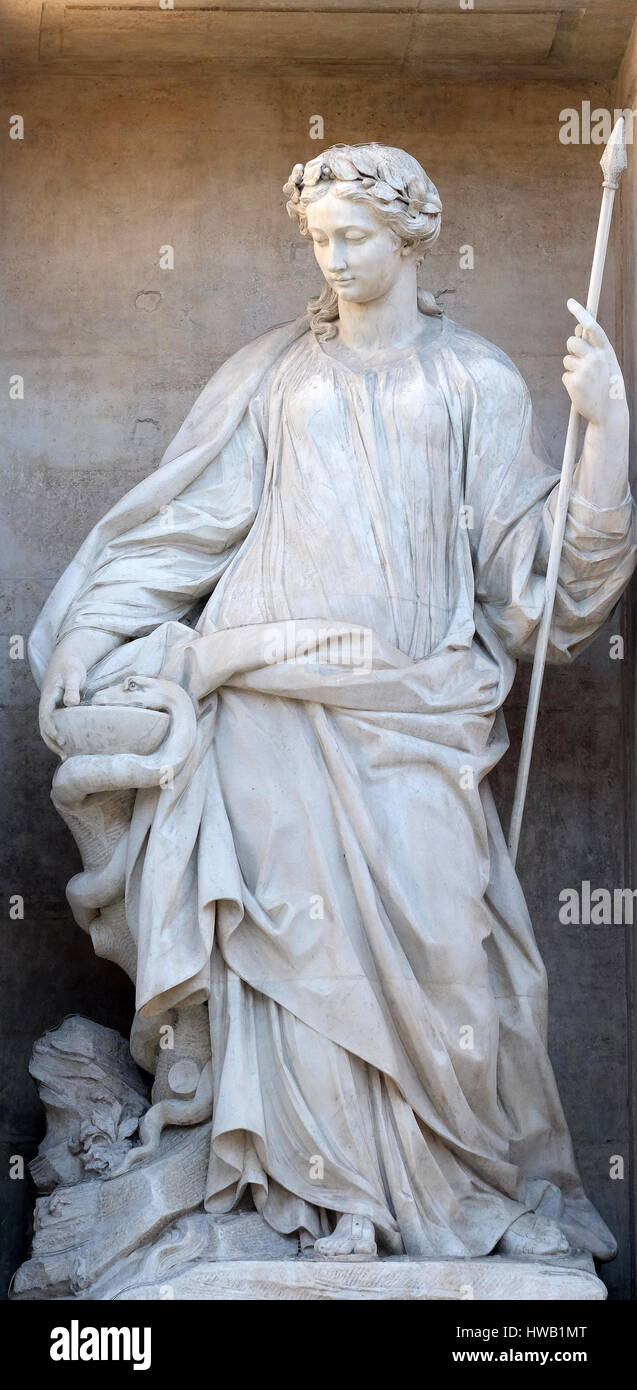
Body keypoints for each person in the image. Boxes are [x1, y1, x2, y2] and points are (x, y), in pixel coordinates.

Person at [30, 144, 636, 1259]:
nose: (334, 256)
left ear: (412, 239)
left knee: (448, 943)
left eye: (354, 235)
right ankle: (308, 1202)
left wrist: (604, 435)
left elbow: (538, 584)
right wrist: (88, 631)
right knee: (286, 957)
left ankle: (434, 1193)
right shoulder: (276, 374)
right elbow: (183, 526)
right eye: (319, 239)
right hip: (266, 702)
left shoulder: (475, 380)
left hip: (415, 707)